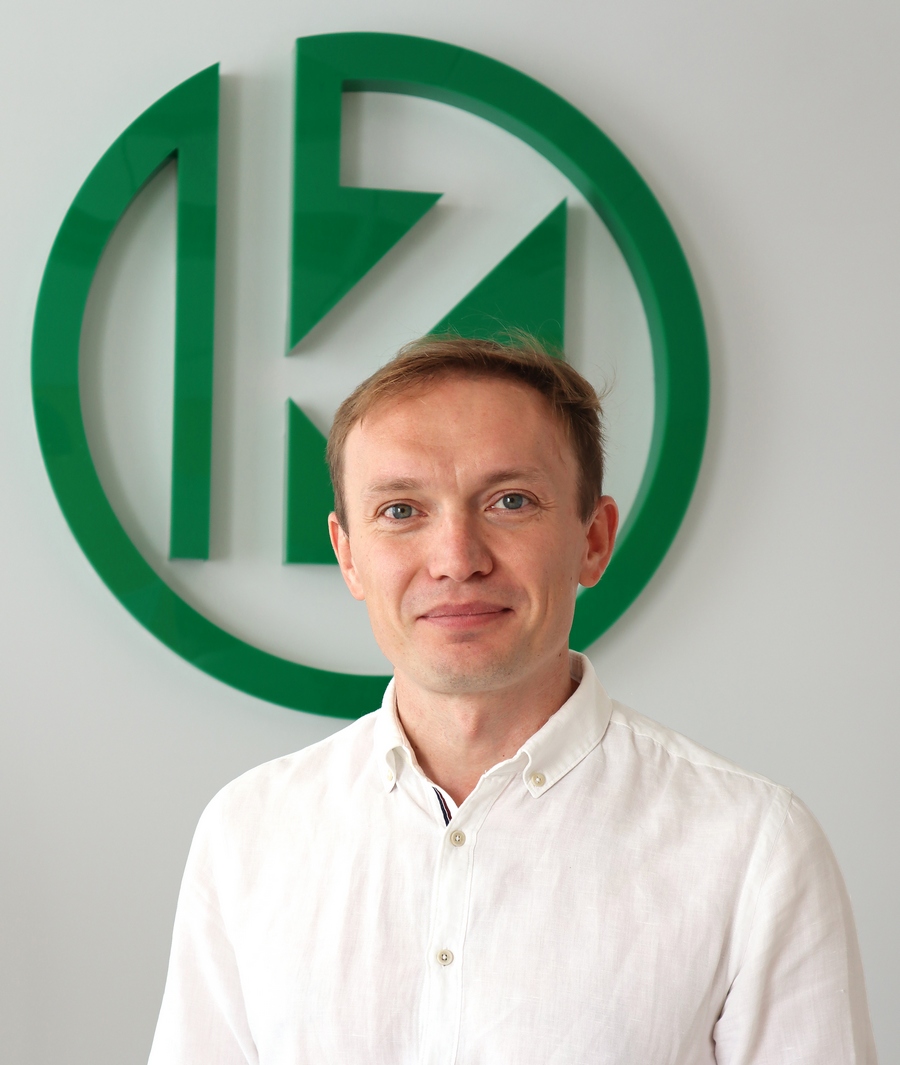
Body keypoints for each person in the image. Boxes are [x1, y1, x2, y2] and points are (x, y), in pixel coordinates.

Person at [149, 335, 877, 1064]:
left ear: (594, 539)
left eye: (510, 501)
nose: (457, 559)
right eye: (401, 510)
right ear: (348, 554)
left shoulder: (752, 846)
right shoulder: (248, 833)